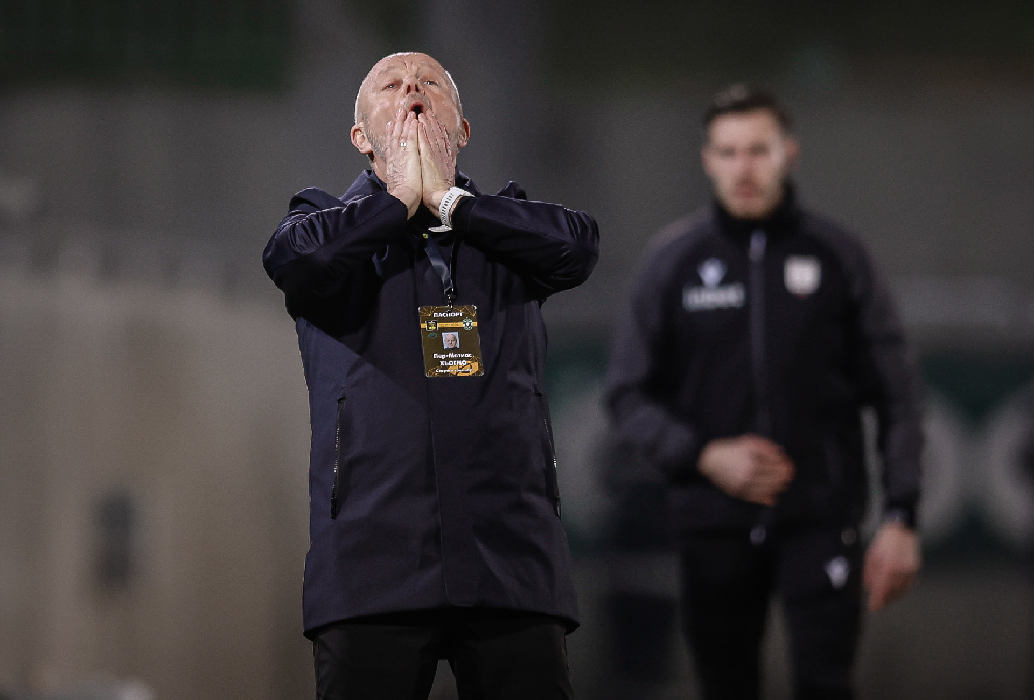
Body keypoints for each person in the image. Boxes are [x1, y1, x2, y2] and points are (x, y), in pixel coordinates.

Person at [262, 52, 599, 699]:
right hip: (371, 568)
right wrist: (395, 201)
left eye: (432, 84)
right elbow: (294, 261)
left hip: (510, 562)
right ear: (362, 137)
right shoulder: (320, 222)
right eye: (392, 85)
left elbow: (578, 245)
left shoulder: (506, 223)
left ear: (462, 131)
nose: (413, 87)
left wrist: (452, 203)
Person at [604, 85, 923, 700]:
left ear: (788, 153)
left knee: (826, 685)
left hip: (821, 518)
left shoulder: (839, 256)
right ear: (708, 160)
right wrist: (704, 455)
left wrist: (902, 515)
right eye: (728, 152)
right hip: (712, 523)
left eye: (758, 151)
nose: (743, 168)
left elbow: (897, 395)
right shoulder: (674, 261)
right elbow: (626, 395)